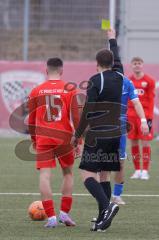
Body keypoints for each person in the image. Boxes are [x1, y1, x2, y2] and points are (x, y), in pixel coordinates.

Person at [71, 29, 125, 232]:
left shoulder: (96, 80)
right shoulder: (119, 75)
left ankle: (108, 206)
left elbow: (88, 109)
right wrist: (112, 37)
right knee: (104, 175)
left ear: (96, 63)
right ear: (112, 63)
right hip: (115, 131)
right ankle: (103, 218)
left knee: (87, 175)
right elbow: (117, 56)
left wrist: (77, 135)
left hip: (99, 132)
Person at [96, 34, 149, 206]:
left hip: (119, 128)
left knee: (120, 162)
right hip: (103, 127)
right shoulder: (99, 81)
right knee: (104, 163)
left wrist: (142, 121)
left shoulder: (126, 82)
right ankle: (104, 195)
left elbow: (136, 102)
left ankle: (117, 194)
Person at [28, 58, 80, 228]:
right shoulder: (70, 89)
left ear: (46, 70)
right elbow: (76, 117)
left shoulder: (36, 91)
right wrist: (78, 140)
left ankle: (50, 218)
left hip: (43, 137)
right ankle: (64, 214)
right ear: (62, 71)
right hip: (64, 137)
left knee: (44, 175)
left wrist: (34, 139)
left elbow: (31, 120)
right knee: (68, 173)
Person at [128, 57, 155, 180]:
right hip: (131, 117)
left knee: (145, 143)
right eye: (135, 63)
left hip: (145, 117)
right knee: (133, 143)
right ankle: (137, 170)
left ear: (142, 65)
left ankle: (145, 171)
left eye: (139, 63)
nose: (137, 65)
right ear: (132, 65)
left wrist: (148, 118)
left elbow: (151, 100)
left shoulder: (149, 81)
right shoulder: (128, 80)